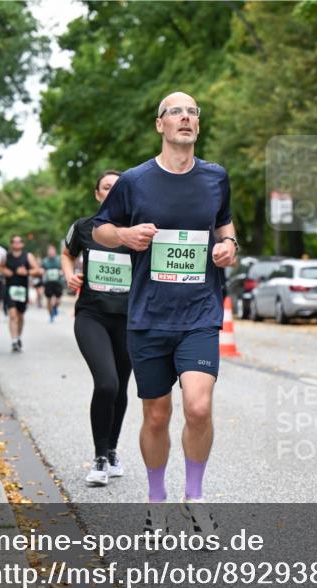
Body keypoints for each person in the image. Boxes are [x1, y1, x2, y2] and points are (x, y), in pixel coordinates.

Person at [93, 91, 238, 534]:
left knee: (199, 406)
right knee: (156, 415)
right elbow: (100, 230)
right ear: (160, 124)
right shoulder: (134, 181)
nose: (185, 117)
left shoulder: (215, 177)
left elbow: (225, 225)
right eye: (176, 111)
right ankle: (157, 498)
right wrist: (125, 236)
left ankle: (195, 497)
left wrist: (229, 245)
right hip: (149, 316)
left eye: (192, 112)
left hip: (200, 313)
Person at [64, 170, 133, 486]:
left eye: (118, 187)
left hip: (128, 320)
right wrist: (70, 275)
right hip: (92, 316)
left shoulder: (137, 230)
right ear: (97, 194)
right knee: (106, 383)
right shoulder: (84, 226)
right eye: (106, 187)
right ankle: (100, 457)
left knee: (120, 386)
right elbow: (67, 254)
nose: (112, 191)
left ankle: (113, 450)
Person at [0, 235, 41, 352]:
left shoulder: (28, 256)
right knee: (12, 315)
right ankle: (14, 341)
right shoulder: (6, 256)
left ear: (22, 244)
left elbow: (37, 270)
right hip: (10, 289)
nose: (17, 243)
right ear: (11, 244)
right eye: (14, 242)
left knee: (20, 316)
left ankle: (18, 337)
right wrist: (4, 271)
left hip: (22, 290)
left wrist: (26, 272)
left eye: (19, 242)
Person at [41, 244, 64, 322]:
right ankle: (51, 316)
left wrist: (62, 272)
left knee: (58, 300)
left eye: (52, 251)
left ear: (55, 252)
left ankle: (55, 307)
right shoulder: (45, 261)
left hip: (58, 282)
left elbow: (64, 268)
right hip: (48, 282)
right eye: (50, 251)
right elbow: (42, 269)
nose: (51, 253)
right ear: (48, 252)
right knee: (49, 299)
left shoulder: (59, 259)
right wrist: (42, 272)